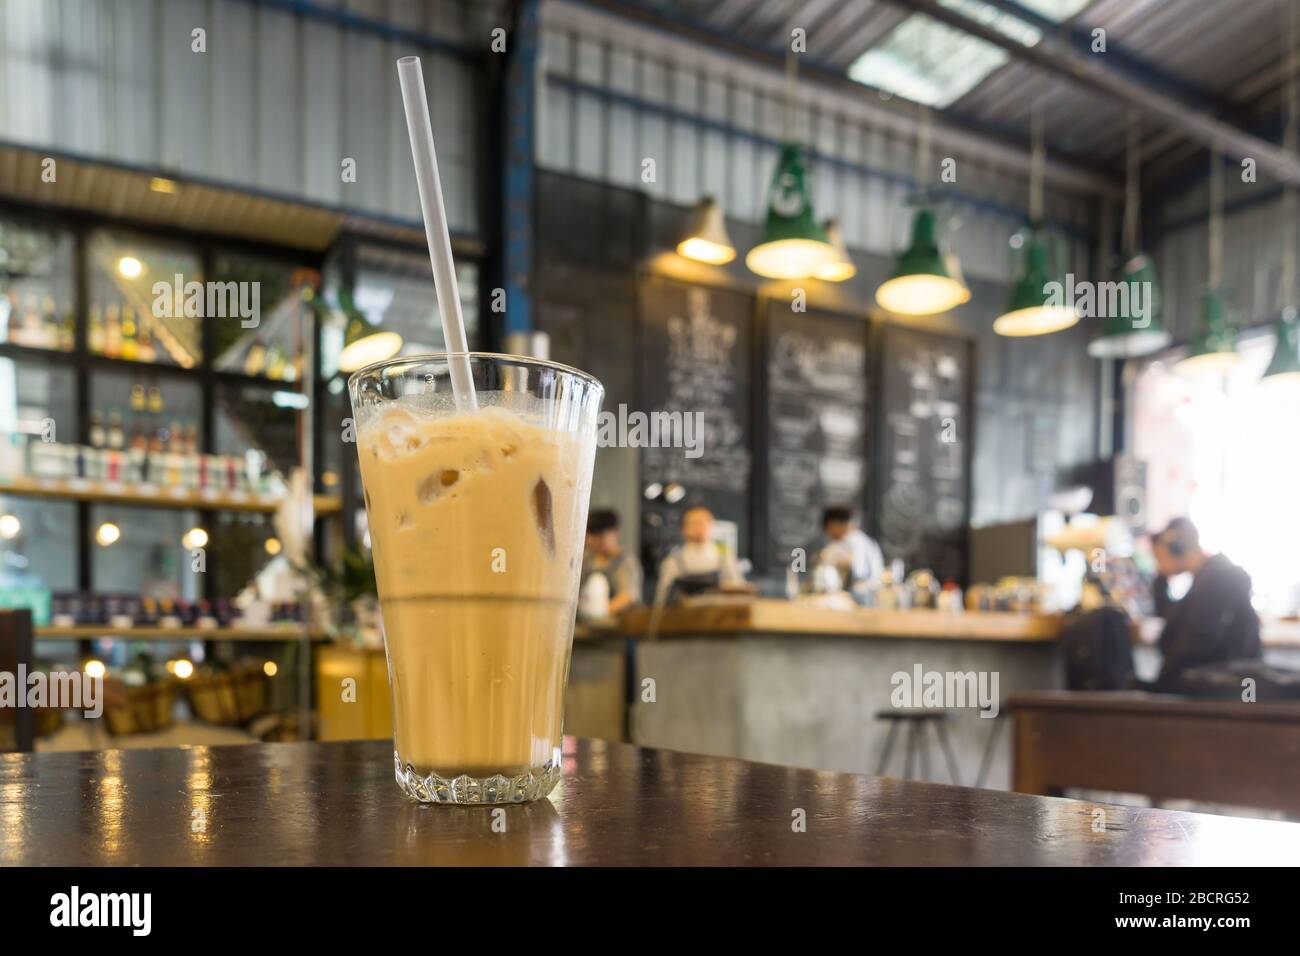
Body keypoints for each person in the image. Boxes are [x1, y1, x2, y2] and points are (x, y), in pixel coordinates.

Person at [1149, 517, 1261, 691]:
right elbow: (1170, 618)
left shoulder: (1220, 578)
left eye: (1158, 556)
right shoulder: (1204, 580)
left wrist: (1163, 682)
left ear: (1177, 547)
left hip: (1225, 688)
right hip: (1218, 683)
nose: (1158, 563)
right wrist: (1161, 578)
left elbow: (1197, 639)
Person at [653, 504, 744, 605]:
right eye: (695, 523)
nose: (700, 527)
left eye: (704, 522)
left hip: (720, 615)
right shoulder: (673, 562)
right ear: (684, 528)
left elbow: (738, 591)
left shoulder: (724, 557)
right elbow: (661, 601)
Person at [580, 509, 642, 616]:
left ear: (615, 532)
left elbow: (628, 596)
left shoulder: (625, 562)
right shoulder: (586, 559)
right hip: (589, 625)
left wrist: (598, 611)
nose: (597, 541)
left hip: (620, 626)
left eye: (602, 535)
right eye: (594, 536)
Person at [817, 504, 885, 588]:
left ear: (835, 524)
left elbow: (860, 573)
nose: (829, 533)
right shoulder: (838, 543)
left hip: (863, 592)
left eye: (829, 528)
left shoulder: (858, 542)